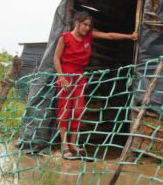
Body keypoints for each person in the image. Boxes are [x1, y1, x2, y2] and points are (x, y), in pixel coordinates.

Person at [53, 10, 139, 159]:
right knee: (65, 111)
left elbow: (109, 35)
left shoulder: (89, 36)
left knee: (78, 111)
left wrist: (129, 36)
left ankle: (73, 143)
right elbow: (56, 58)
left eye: (89, 25)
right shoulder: (65, 38)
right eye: (85, 24)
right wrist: (62, 78)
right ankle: (64, 145)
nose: (87, 28)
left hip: (79, 76)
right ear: (77, 23)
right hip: (66, 75)